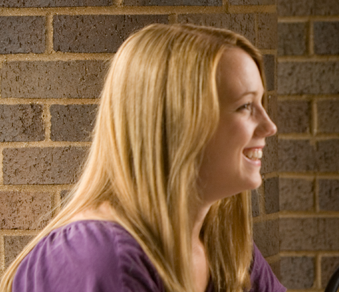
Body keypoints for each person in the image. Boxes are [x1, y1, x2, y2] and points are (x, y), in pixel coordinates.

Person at [0, 24, 285, 292]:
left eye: (261, 103)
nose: (269, 126)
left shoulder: (224, 246)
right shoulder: (98, 259)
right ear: (177, 123)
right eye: (245, 106)